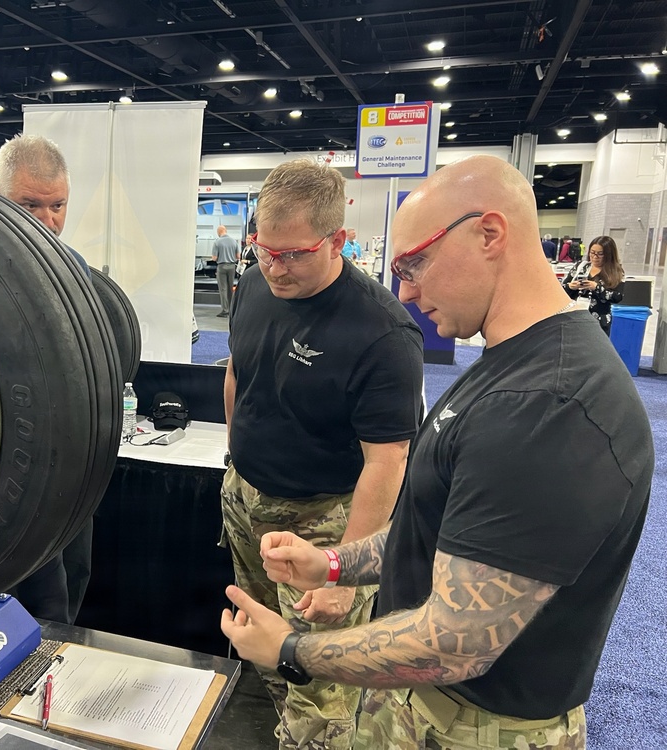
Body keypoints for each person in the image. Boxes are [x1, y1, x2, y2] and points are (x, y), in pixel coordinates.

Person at [221, 155, 654, 750]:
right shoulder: (513, 365)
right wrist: (336, 565)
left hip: (478, 729)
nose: (405, 289)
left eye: (415, 263)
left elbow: (455, 643)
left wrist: (292, 650)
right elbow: (438, 535)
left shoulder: (546, 406)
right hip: (429, 713)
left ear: (489, 234)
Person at [222, 158, 424, 749]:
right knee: (263, 649)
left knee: (319, 683)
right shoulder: (254, 284)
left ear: (338, 240)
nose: (275, 267)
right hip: (246, 499)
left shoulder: (382, 333)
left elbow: (388, 460)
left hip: (324, 521)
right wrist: (237, 460)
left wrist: (344, 572)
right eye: (264, 249)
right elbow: (238, 373)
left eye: (293, 254)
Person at [0, 133, 93, 625]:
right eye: (29, 204)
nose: (47, 221)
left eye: (58, 206)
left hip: (62, 465)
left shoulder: (75, 270)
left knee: (65, 588)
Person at [562, 235, 624, 335]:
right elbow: (562, 289)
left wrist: (597, 288)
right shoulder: (580, 267)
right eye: (592, 253)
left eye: (600, 254)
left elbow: (618, 296)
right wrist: (571, 286)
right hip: (576, 319)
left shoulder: (616, 272)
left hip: (599, 323)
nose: (595, 257)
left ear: (609, 255)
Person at [211, 225, 239, 317]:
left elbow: (214, 258)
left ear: (219, 232)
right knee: (230, 288)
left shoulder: (217, 242)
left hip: (222, 267)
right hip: (232, 266)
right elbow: (238, 256)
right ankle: (231, 309)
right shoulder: (234, 241)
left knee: (223, 289)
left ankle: (225, 310)